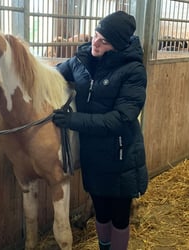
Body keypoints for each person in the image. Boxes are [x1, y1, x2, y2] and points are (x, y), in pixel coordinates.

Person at [52, 11, 149, 250]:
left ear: (116, 45)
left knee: (119, 216)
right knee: (101, 213)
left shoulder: (133, 71)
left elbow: (119, 119)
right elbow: (51, 76)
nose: (95, 42)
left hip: (120, 156)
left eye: (103, 40)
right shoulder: (81, 61)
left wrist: (74, 120)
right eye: (97, 34)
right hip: (93, 155)